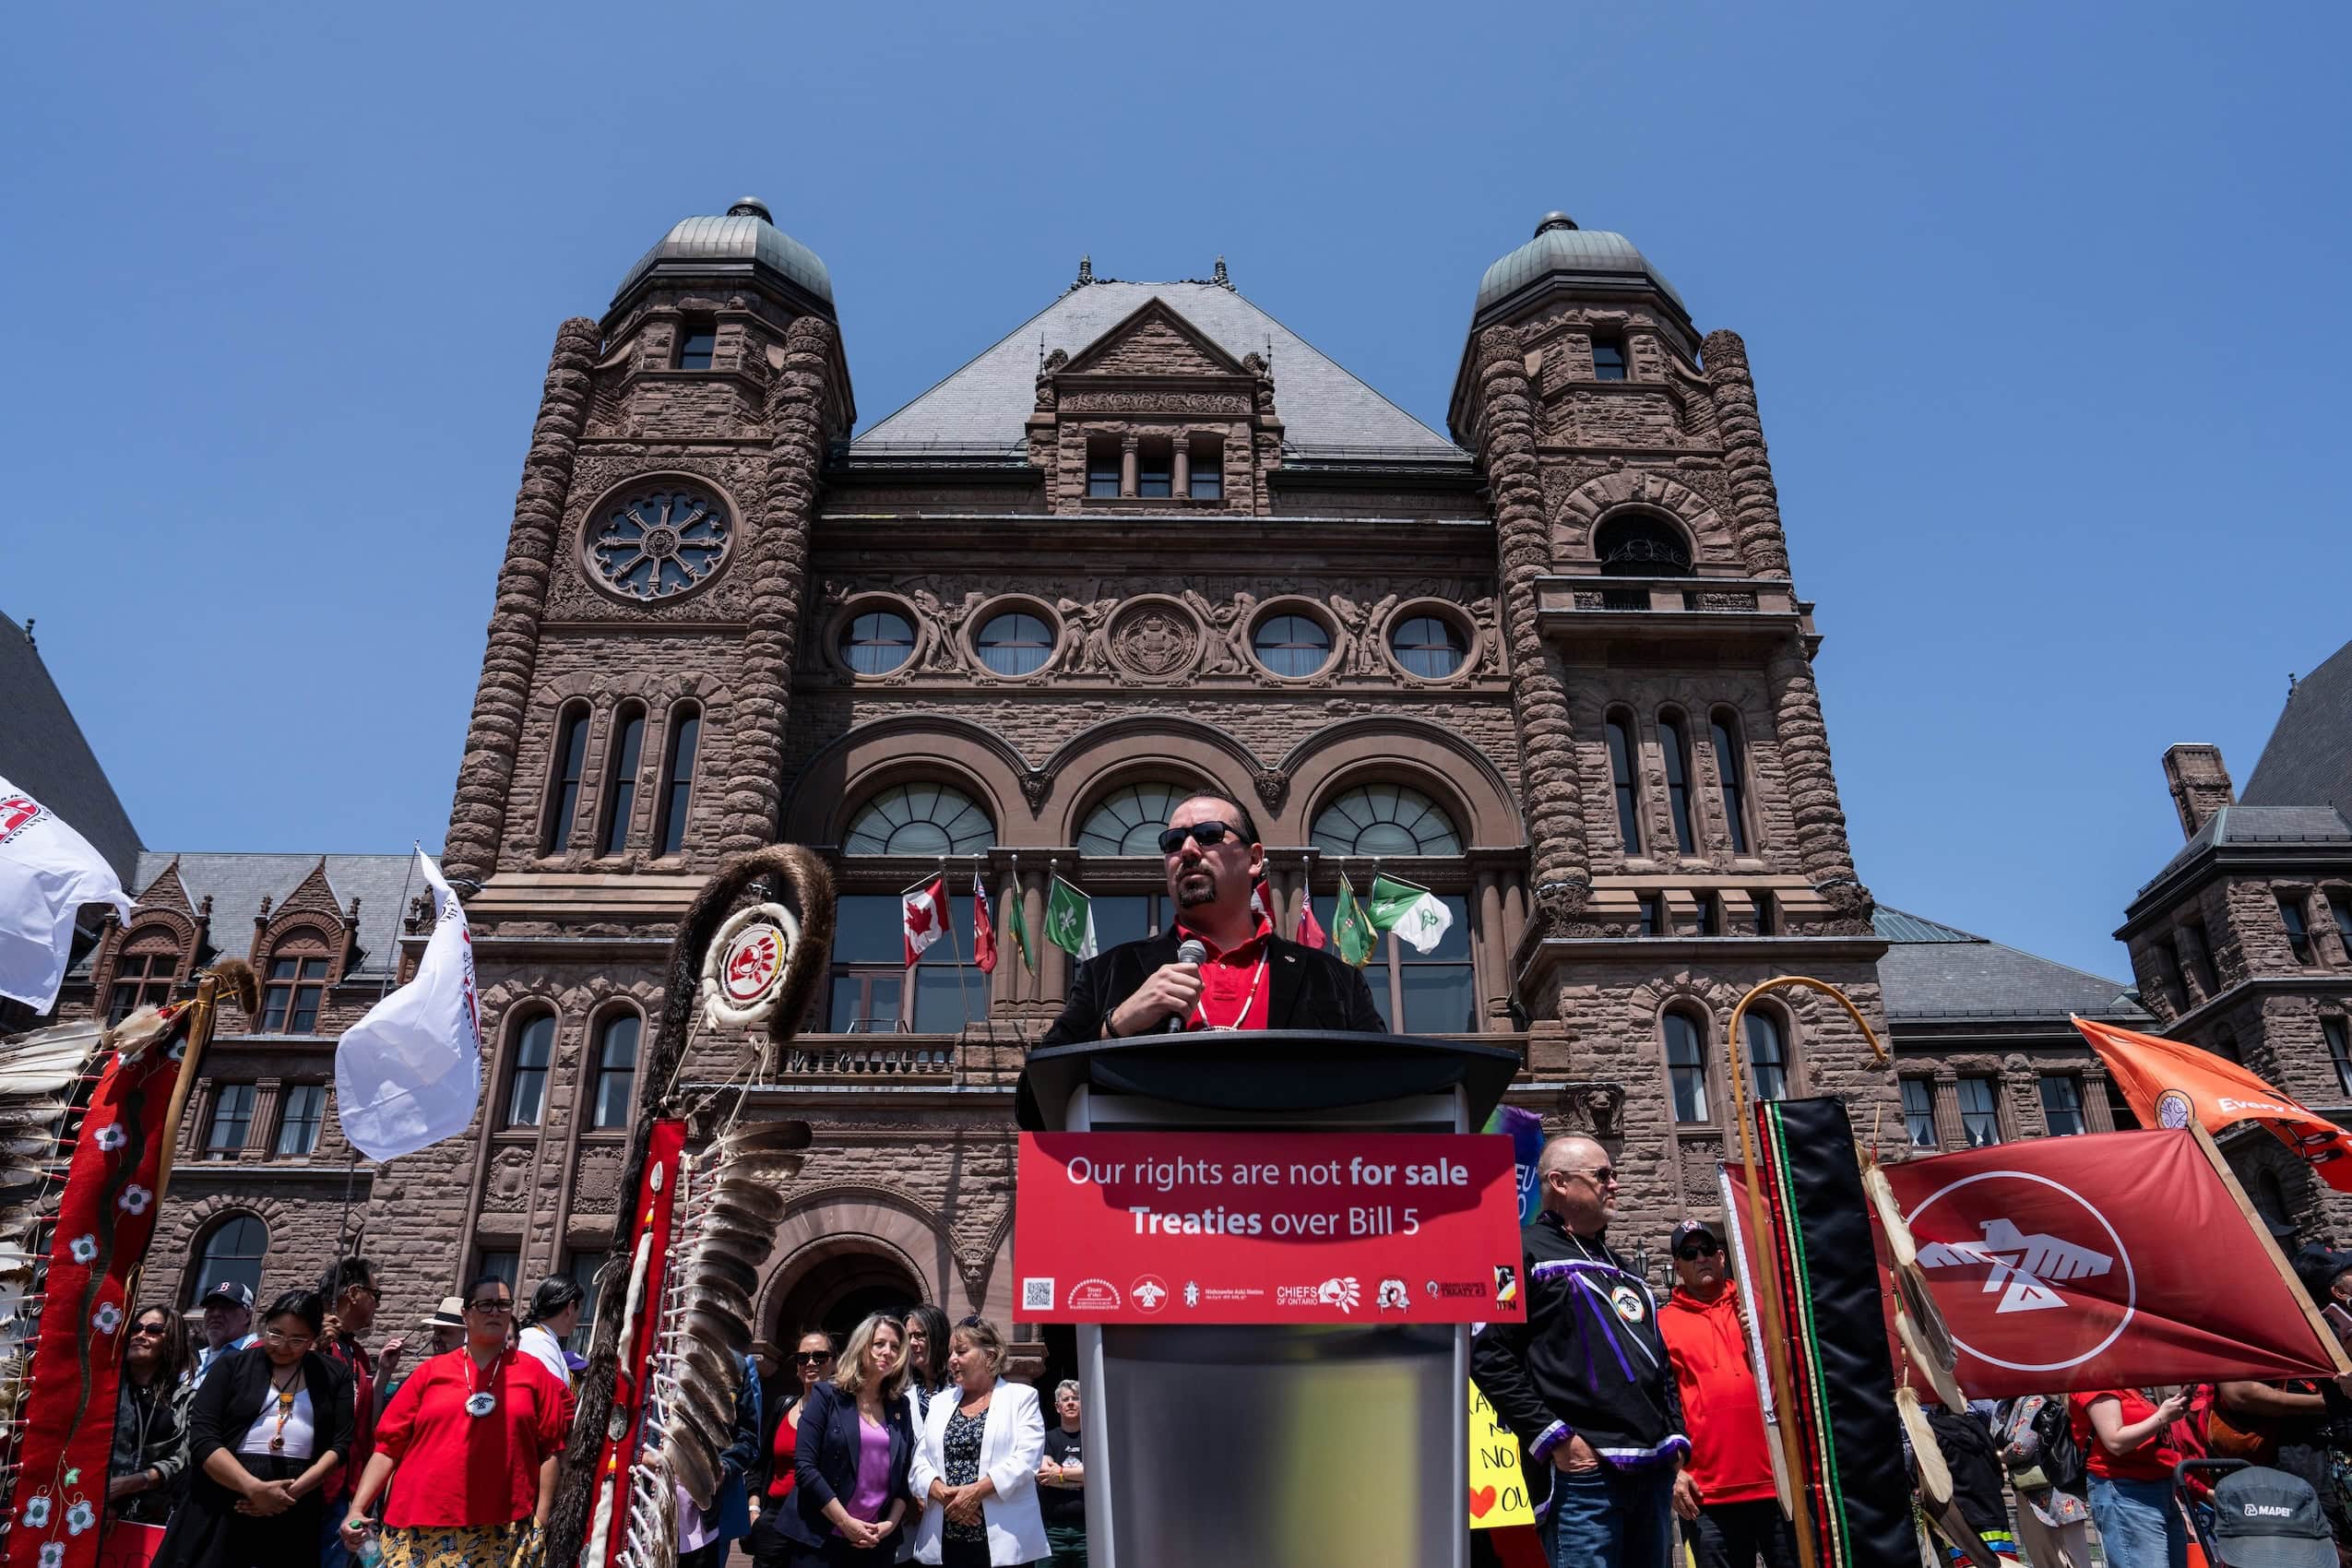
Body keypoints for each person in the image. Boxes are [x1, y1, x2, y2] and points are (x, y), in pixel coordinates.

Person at [1471, 1135, 1687, 1568]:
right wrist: (1556, 1439)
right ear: (1560, 1182)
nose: (1615, 1184)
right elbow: (1488, 1353)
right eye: (1602, 1175)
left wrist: (1675, 1438)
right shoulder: (1515, 1252)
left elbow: (1660, 1361)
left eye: (1613, 1174)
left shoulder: (1625, 1268)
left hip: (1651, 1470)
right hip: (1584, 1478)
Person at [1039, 793, 1383, 1042]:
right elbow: (1036, 1095)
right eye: (1172, 842)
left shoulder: (1333, 979)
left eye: (1208, 835)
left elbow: (1390, 1082)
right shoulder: (1109, 972)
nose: (1187, 850)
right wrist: (1117, 1024)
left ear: (1254, 859)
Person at [337, 1274, 572, 1568]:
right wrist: (357, 1509)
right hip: (417, 1526)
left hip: (503, 1527)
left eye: (503, 1304)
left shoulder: (534, 1374)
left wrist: (542, 1519)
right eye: (485, 1304)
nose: (495, 1311)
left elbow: (551, 1449)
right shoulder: (430, 1373)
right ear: (466, 1314)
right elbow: (387, 1447)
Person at [153, 1289, 354, 1568]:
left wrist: (287, 1495)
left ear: (313, 1338)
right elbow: (203, 1436)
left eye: (298, 1339)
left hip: (294, 1506)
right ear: (265, 1324)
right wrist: (253, 1488)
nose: (283, 1346)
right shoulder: (232, 1365)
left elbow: (340, 1444)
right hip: (222, 1495)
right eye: (276, 1333)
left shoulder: (334, 1374)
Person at [1654, 1219, 1790, 1568]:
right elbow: (1655, 1404)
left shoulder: (1757, 1309)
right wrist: (1672, 1472)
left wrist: (1763, 1336)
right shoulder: (1662, 1324)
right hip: (1708, 1494)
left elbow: (1795, 1377)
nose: (1701, 1258)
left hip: (1778, 1485)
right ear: (1677, 1266)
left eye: (1708, 1250)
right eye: (1690, 1252)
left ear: (1723, 1257)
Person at [909, 1316, 1046, 1568]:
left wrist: (976, 1492)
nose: (952, 1360)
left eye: (961, 1351)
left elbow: (1027, 1459)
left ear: (990, 1356)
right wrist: (940, 1491)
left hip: (1004, 1538)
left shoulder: (1021, 1398)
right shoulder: (940, 1403)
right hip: (946, 1539)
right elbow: (920, 1459)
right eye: (950, 1352)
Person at [781, 1313, 916, 1564]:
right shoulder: (827, 1395)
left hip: (876, 1543)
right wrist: (845, 1522)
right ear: (862, 1346)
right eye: (879, 1344)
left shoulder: (900, 1406)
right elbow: (805, 1468)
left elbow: (904, 1474)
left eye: (895, 1347)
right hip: (820, 1539)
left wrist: (890, 1523)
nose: (888, 1352)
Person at [2069, 1387, 2192, 1568]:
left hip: (2159, 1491)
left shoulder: (2130, 1387)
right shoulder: (2097, 1382)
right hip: (2126, 1492)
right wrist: (2162, 1417)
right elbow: (2115, 1441)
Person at [317, 1257, 383, 1568]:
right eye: (375, 1295)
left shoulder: (357, 1355)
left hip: (345, 1494)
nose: (377, 1305)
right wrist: (312, 1345)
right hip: (305, 1488)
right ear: (354, 1293)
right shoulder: (305, 1340)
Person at [751, 1331, 837, 1568]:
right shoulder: (783, 1406)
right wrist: (754, 1511)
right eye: (802, 1357)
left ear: (834, 1363)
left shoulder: (843, 1417)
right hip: (774, 1521)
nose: (810, 1363)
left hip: (818, 1521)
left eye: (819, 1357)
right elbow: (759, 1462)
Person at [111, 1305, 195, 1527]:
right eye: (136, 1328)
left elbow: (184, 1458)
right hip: (93, 1504)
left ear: (172, 1341)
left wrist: (136, 1482)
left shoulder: (185, 1399)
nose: (140, 1335)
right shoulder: (104, 1390)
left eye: (154, 1330)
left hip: (151, 1518)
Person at [681, 1348, 763, 1568]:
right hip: (655, 1504)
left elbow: (749, 1438)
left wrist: (723, 1467)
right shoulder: (660, 1354)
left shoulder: (739, 1365)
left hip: (711, 1513)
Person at [1993, 1395, 2091, 1568]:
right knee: (2044, 1558)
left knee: (2073, 1558)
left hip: (2056, 1490)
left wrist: (1999, 1456)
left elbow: (2022, 1447)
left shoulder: (2034, 1400)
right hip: (2027, 1490)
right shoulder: (2001, 1406)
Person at [1035, 1380, 1086, 1568]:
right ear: (1058, 1407)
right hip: (1052, 1532)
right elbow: (1044, 1475)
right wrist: (1081, 1478)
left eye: (1076, 1398)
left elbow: (1098, 1474)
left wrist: (1061, 1474)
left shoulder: (1093, 1436)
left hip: (1088, 1531)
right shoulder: (1047, 1438)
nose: (1071, 1402)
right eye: (1066, 1399)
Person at [379, 1298, 465, 1407]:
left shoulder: (476, 1380)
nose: (435, 1338)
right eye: (435, 1331)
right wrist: (384, 1372)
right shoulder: (423, 1375)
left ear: (467, 1335)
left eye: (444, 1332)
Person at [517, 1275, 583, 1391]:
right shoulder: (538, 1341)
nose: (579, 1316)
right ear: (571, 1308)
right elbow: (552, 1397)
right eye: (581, 1306)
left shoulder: (538, 1338)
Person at [188, 1280, 257, 1388]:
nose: (216, 1314)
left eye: (226, 1307)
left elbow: (285, 1398)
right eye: (211, 1308)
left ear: (247, 1315)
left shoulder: (259, 1356)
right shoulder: (193, 1358)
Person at [901, 1306, 954, 1428]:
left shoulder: (959, 1385)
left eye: (919, 1335)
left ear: (938, 1336)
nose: (912, 1343)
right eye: (908, 1337)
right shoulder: (901, 1389)